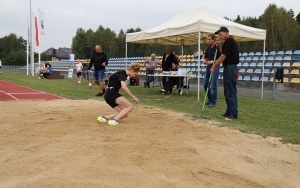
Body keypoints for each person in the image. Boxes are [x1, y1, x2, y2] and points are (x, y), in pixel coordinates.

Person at [211, 26, 239, 120]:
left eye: (220, 33)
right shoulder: (227, 42)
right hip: (228, 68)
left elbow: (223, 56)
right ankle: (229, 111)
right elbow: (224, 53)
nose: (219, 35)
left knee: (230, 91)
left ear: (227, 32)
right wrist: (220, 47)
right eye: (219, 34)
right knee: (227, 91)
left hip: (231, 68)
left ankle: (233, 114)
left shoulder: (229, 41)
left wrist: (214, 66)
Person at [203, 34, 222, 107]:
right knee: (205, 84)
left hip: (215, 68)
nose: (208, 41)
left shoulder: (217, 48)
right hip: (208, 68)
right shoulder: (208, 48)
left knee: (213, 85)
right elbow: (206, 56)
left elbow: (220, 59)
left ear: (214, 39)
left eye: (209, 39)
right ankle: (210, 99)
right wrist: (205, 60)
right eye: (208, 39)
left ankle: (213, 102)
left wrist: (211, 62)